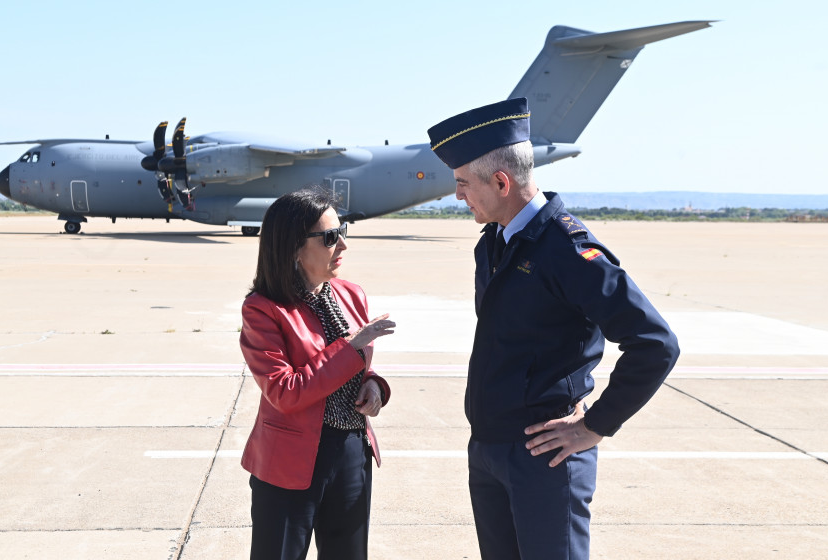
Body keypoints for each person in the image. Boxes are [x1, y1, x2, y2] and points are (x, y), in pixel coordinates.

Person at [426, 97, 680, 559]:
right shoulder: (494, 244)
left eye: (463, 184)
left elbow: (655, 344)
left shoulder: (567, 249)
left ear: (501, 181)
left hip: (545, 455)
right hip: (488, 449)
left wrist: (595, 425)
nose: (458, 195)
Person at [239, 189, 397, 560]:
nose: (342, 244)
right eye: (329, 237)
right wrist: (353, 346)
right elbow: (285, 391)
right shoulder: (263, 310)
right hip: (290, 459)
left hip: (350, 452)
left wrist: (373, 384)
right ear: (294, 248)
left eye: (341, 231)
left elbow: (356, 365)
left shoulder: (350, 294)